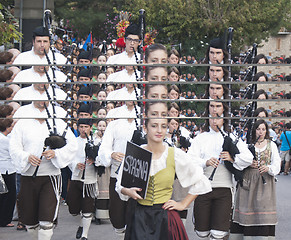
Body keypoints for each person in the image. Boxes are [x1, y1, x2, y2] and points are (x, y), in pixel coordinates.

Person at [115, 101, 212, 239]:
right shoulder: (135, 153)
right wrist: (128, 191)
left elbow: (201, 181)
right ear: (145, 128)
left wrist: (182, 204)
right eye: (154, 126)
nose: (159, 130)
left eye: (163, 126)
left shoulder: (174, 154)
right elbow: (119, 185)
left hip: (166, 219)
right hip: (139, 218)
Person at [9, 100, 77, 240]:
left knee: (47, 218)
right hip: (28, 176)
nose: (42, 102)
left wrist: (56, 154)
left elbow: (72, 145)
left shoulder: (58, 122)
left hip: (51, 176)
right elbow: (14, 147)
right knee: (30, 220)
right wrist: (26, 156)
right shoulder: (23, 123)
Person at [187, 102, 253, 240]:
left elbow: (248, 158)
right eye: (212, 116)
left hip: (224, 189)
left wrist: (232, 158)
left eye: (218, 116)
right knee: (202, 232)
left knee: (218, 233)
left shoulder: (232, 137)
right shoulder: (200, 138)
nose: (214, 120)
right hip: (203, 188)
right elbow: (190, 160)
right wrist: (205, 162)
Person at [229, 119, 281, 240]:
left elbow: (277, 163)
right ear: (254, 131)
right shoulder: (247, 144)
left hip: (265, 183)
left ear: (266, 131)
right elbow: (238, 162)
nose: (261, 132)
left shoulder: (271, 144)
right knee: (246, 212)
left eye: (263, 129)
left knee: (263, 213)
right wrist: (248, 163)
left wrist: (268, 168)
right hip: (248, 182)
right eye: (258, 129)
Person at [98, 108, 138, 239]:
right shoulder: (114, 124)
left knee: (138, 216)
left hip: (139, 176)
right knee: (117, 216)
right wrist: (111, 154)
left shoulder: (145, 119)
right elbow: (104, 148)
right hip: (117, 175)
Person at [67, 119, 99, 240]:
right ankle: (81, 225)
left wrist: (95, 160)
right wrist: (76, 165)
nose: (83, 129)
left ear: (90, 128)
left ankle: (85, 235)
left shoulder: (96, 141)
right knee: (73, 209)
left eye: (86, 126)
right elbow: (68, 158)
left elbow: (102, 160)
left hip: (90, 179)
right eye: (81, 126)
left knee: (87, 208)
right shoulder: (73, 142)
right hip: (76, 178)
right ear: (77, 128)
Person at [0, 118, 16, 227]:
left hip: (3, 168)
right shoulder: (6, 141)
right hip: (7, 169)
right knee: (9, 196)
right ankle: (5, 219)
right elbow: (13, 153)